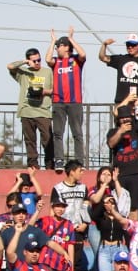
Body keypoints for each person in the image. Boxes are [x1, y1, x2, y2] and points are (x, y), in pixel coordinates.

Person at [47, 31, 90, 168]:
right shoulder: (56, 62)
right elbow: (48, 59)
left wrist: (71, 40)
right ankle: (59, 160)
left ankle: (79, 161)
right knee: (58, 133)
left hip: (74, 101)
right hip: (58, 102)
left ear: (66, 47)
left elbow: (83, 54)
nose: (56, 49)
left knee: (77, 133)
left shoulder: (76, 60)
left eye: (58, 46)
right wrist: (53, 41)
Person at [8, 48, 54, 171]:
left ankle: (50, 165)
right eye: (34, 61)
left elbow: (57, 90)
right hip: (26, 110)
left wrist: (45, 92)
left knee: (48, 140)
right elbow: (10, 66)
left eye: (39, 60)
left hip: (43, 111)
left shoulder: (48, 72)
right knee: (30, 141)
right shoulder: (23, 72)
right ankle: (33, 165)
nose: (37, 63)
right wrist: (24, 62)